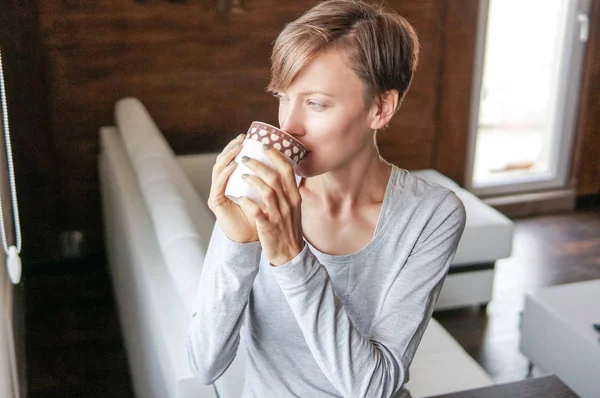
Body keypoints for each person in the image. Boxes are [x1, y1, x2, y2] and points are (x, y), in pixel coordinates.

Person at [186, 1, 466, 397]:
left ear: (380, 108)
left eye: (316, 103)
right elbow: (204, 365)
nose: (289, 125)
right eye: (284, 96)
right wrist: (238, 245)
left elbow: (374, 388)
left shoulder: (431, 215)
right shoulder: (257, 195)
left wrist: (291, 258)